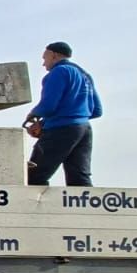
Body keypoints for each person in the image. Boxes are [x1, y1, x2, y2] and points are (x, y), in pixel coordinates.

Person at [24, 41, 102, 186]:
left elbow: (48, 106)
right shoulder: (84, 75)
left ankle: (37, 208)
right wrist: (45, 123)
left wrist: (33, 116)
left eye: (44, 58)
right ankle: (85, 208)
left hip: (60, 129)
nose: (43, 64)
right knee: (79, 179)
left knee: (34, 175)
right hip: (84, 130)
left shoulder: (59, 72)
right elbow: (97, 110)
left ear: (53, 55)